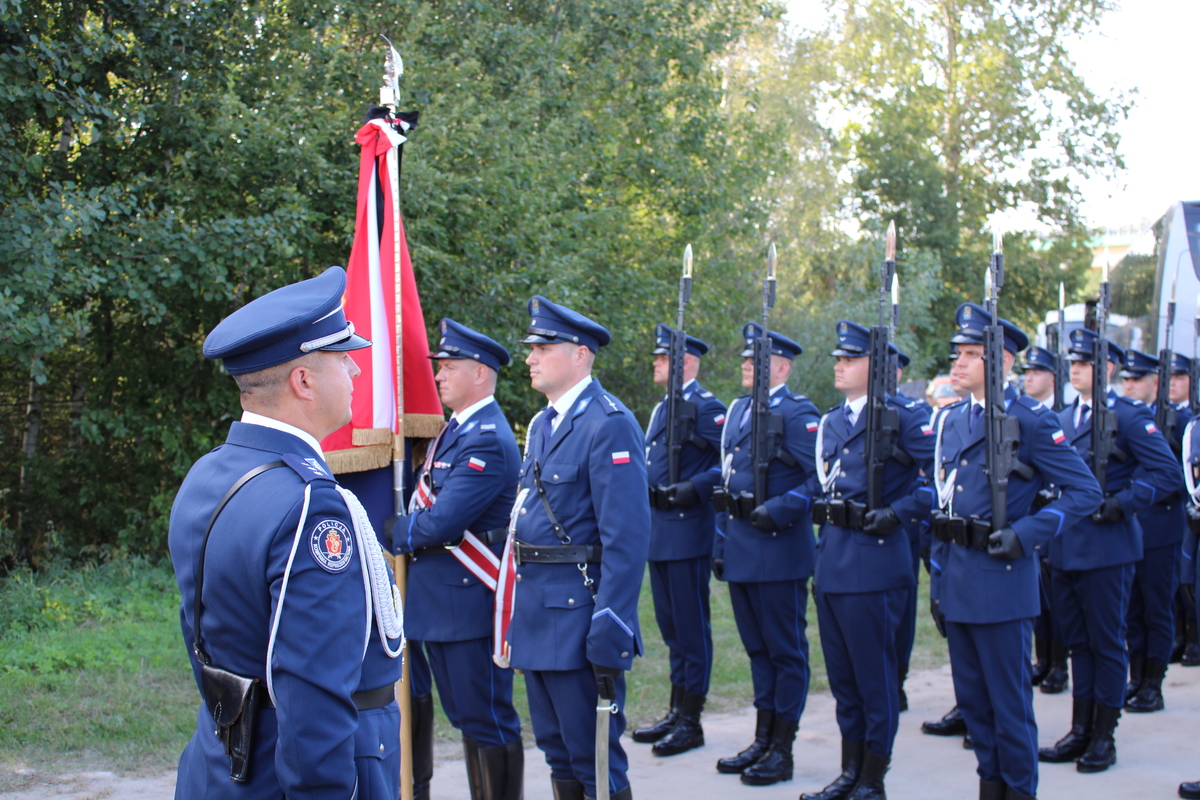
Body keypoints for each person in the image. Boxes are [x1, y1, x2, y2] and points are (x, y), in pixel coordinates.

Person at [169, 266, 403, 799]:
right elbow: (313, 688)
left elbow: (203, 640)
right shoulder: (310, 504)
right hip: (292, 771)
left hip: (224, 756)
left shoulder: (209, 472)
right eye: (343, 358)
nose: (356, 372)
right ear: (303, 381)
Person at [925, 302, 1101, 800]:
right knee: (976, 707)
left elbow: (1085, 491)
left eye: (970, 354)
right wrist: (939, 583)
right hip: (959, 577)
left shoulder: (1030, 421)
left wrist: (1028, 533)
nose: (956, 363)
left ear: (999, 361)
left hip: (1002, 581)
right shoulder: (953, 419)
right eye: (956, 353)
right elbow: (944, 507)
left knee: (1009, 707)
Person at [506, 296, 650, 800]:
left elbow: (626, 541)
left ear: (581, 354)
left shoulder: (607, 423)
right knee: (557, 750)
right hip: (539, 614)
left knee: (593, 758)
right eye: (532, 347)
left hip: (580, 618)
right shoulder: (545, 424)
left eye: (544, 347)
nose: (531, 357)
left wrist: (611, 624)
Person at [799, 321, 933, 800]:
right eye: (838, 358)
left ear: (876, 367)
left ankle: (873, 778)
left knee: (875, 680)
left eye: (849, 359)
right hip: (833, 561)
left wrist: (898, 513)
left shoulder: (906, 418)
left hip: (876, 563)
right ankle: (849, 772)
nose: (839, 365)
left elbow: (939, 483)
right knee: (844, 680)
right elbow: (822, 482)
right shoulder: (833, 420)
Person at [1039, 329, 1180, 774]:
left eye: (1084, 363)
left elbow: (1167, 473)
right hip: (1066, 546)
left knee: (1105, 642)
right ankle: (1081, 729)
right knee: (1078, 642)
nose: (1075, 369)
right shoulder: (1062, 418)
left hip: (1107, 546)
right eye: (1073, 363)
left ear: (1107, 369)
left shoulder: (1130, 416)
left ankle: (1104, 734)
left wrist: (1125, 502)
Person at [393, 318, 523, 800]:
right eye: (440, 367)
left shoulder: (486, 436)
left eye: (450, 367)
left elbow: (442, 523)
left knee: (486, 718)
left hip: (468, 603)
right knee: (467, 717)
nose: (440, 376)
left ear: (481, 374)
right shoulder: (455, 430)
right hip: (441, 602)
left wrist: (393, 532)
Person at [692, 322, 820, 787]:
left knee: (785, 651)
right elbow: (727, 482)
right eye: (745, 360)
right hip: (743, 549)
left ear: (780, 367)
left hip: (779, 548)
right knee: (758, 651)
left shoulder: (800, 414)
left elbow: (817, 478)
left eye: (755, 361)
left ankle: (782, 748)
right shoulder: (740, 409)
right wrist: (721, 544)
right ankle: (763, 738)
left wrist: (783, 509)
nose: (746, 366)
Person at [631, 324, 726, 757]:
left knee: (691, 629)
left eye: (663, 357)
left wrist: (693, 487)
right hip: (659, 532)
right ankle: (675, 709)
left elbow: (728, 464)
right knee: (671, 628)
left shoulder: (705, 408)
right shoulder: (663, 407)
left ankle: (692, 719)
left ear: (686, 362)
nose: (656, 362)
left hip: (687, 530)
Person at [1118, 349, 1191, 712]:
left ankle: (1153, 683)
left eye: (1138, 380)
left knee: (1156, 608)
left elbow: (1184, 480)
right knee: (1131, 609)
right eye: (1126, 379)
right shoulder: (1119, 418)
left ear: (1155, 384)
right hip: (1130, 526)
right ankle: (1136, 678)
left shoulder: (1182, 420)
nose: (1130, 386)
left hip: (1161, 526)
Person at [1022, 345, 1070, 693]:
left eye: (1036, 372)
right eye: (1026, 372)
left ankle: (1059, 664)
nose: (1029, 377)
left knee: (1059, 603)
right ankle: (1044, 659)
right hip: (1035, 521)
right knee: (1041, 598)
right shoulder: (1024, 416)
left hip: (1059, 523)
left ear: (1053, 378)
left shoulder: (1058, 416)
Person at [1168, 353, 1200, 666]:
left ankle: (1193, 638)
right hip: (1181, 507)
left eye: (1180, 377)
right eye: (1170, 377)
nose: (1173, 384)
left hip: (1187, 504)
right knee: (1183, 577)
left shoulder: (1191, 420)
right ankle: (1182, 636)